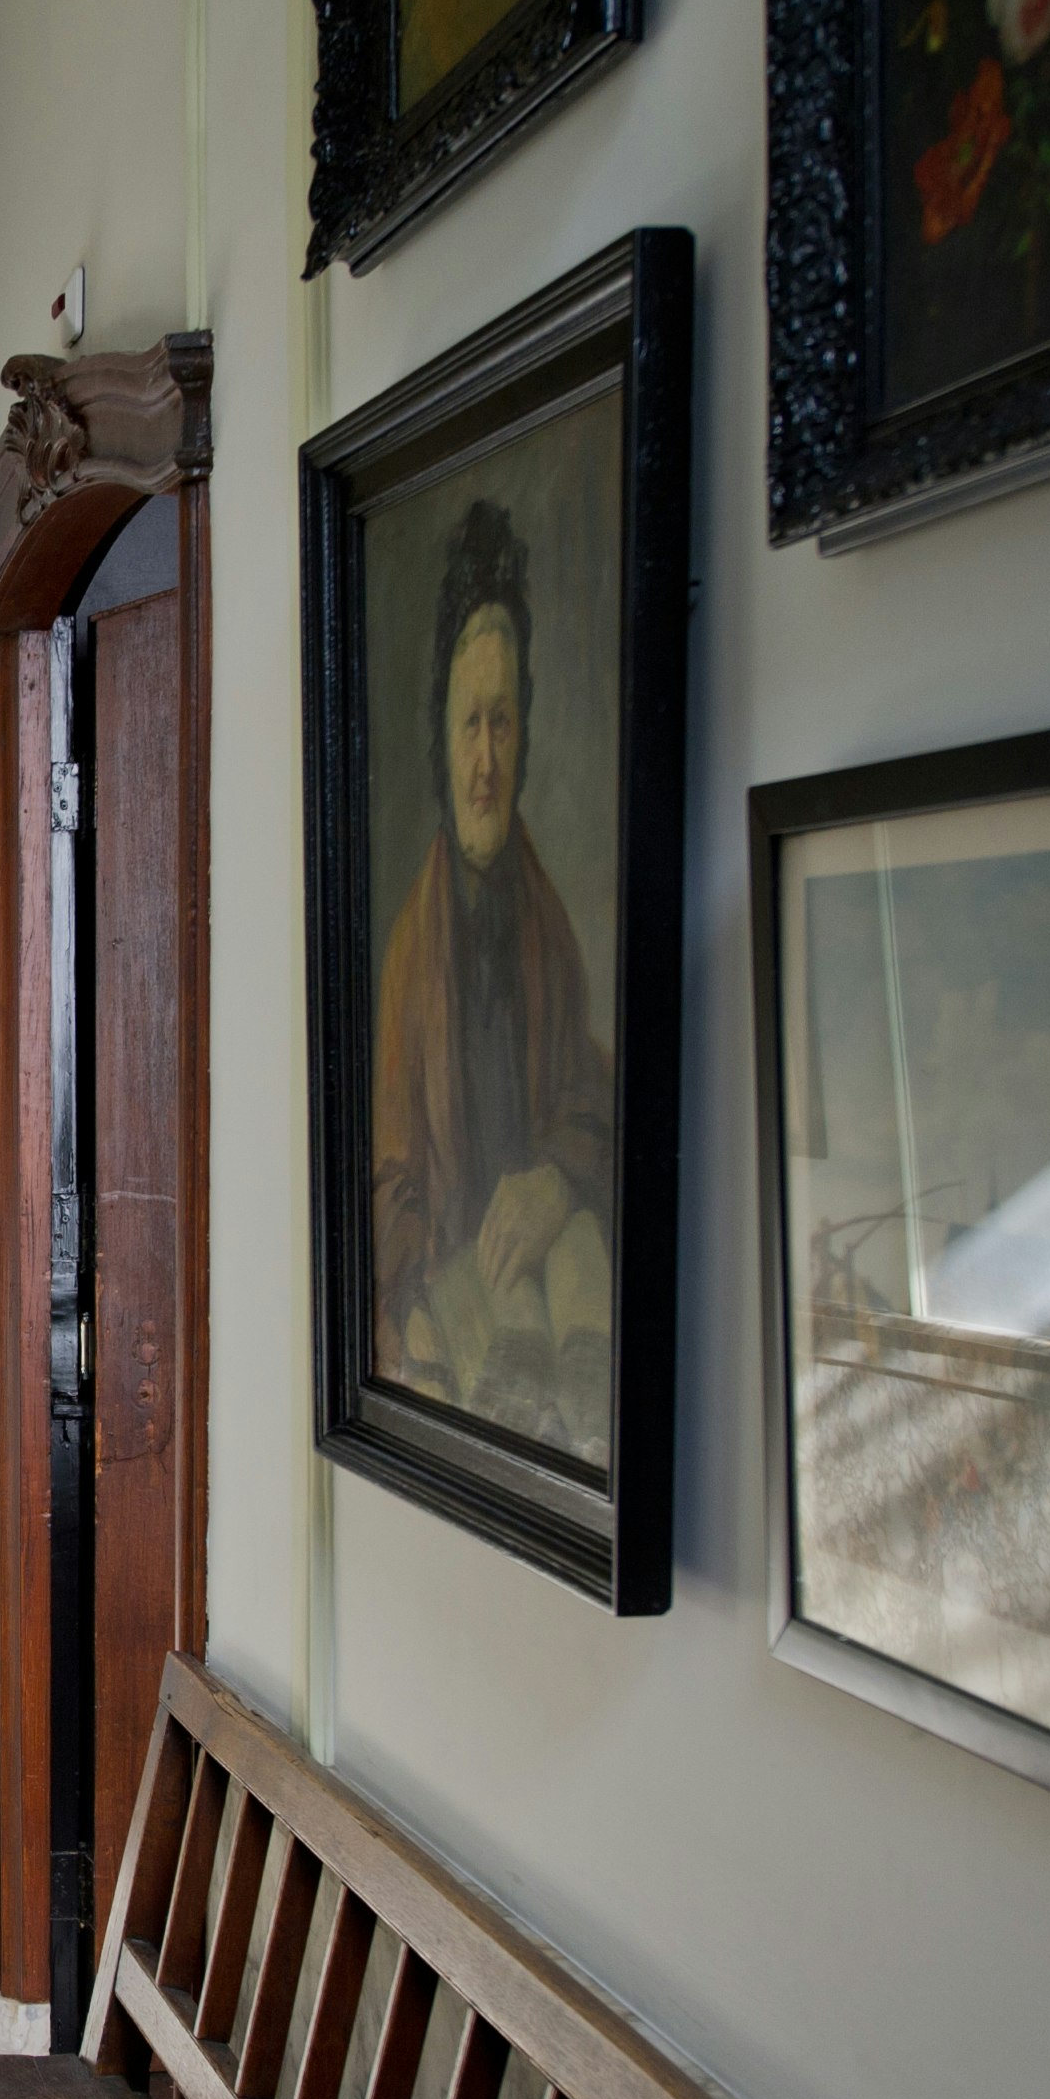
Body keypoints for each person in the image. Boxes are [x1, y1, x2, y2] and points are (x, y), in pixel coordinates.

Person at [368, 497, 612, 1450]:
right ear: (441, 739)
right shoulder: (408, 955)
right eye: (469, 726)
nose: (485, 764)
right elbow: (386, 1185)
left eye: (502, 725)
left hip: (551, 1275)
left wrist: (556, 1178)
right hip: (460, 1295)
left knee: (588, 1289)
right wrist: (418, 1287)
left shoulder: (546, 925)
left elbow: (592, 1099)